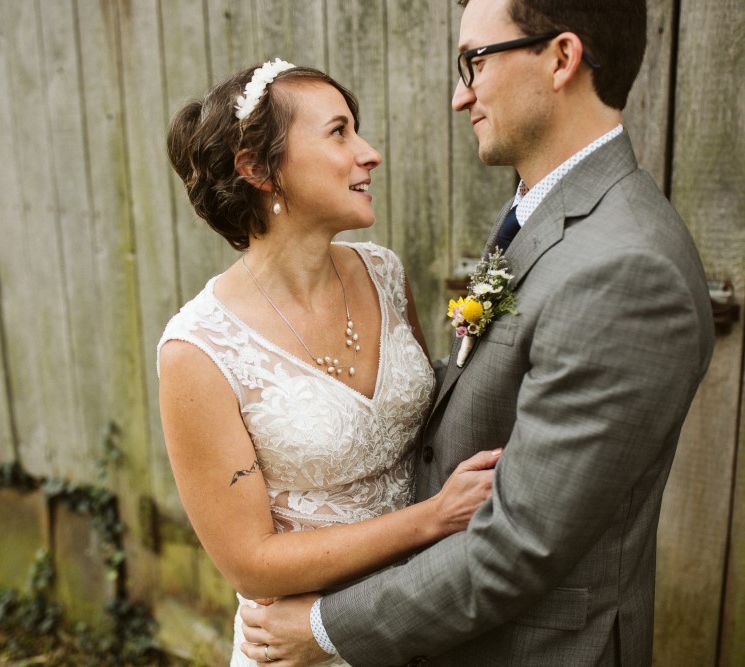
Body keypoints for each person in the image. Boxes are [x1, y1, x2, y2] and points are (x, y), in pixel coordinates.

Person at [238, 0, 715, 664]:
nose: (460, 97)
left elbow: (520, 543)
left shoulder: (626, 268)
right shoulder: (545, 212)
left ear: (561, 57)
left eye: (474, 62)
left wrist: (323, 626)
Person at [157, 60, 502, 666]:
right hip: (301, 646)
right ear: (258, 169)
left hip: (419, 618)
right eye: (339, 132)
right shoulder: (198, 350)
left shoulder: (384, 273)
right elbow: (248, 559)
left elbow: (428, 436)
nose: (369, 154)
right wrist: (433, 520)